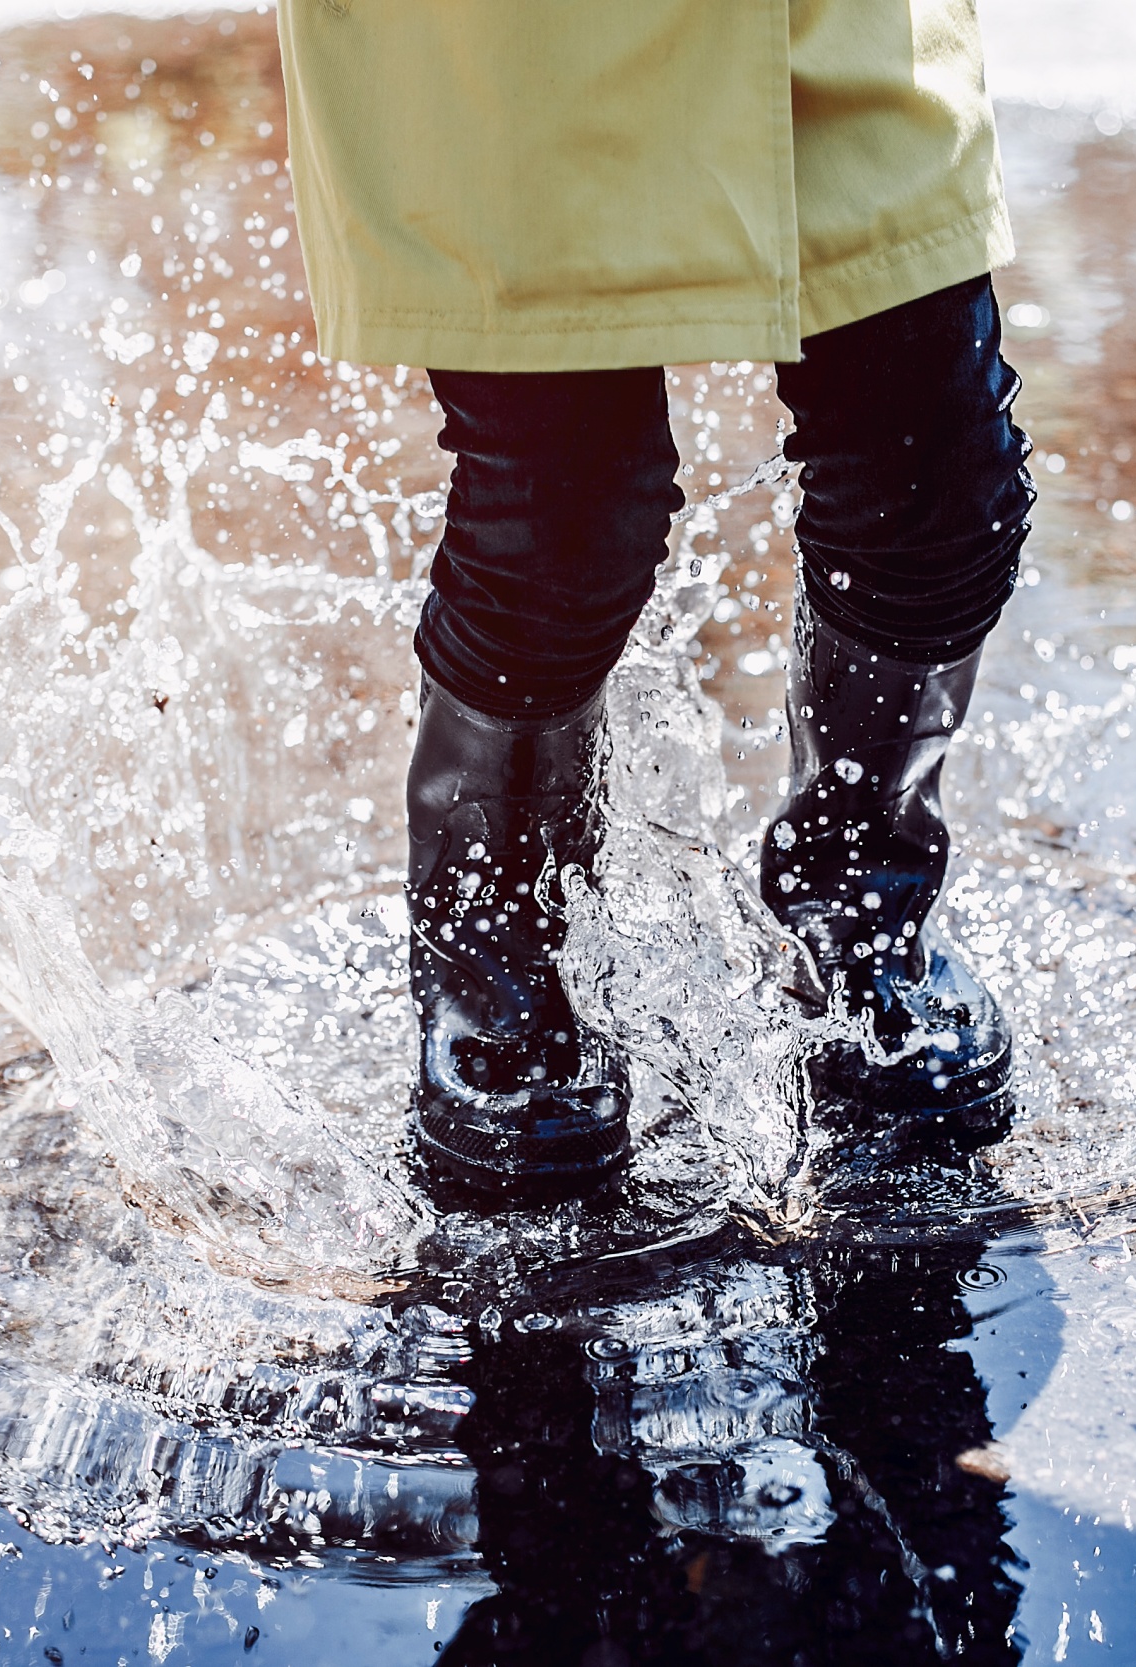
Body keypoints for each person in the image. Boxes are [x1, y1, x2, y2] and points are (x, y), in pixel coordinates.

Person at [277, 0, 1034, 1203]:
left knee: (940, 483)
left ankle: (857, 912)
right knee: (567, 528)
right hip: (504, 42)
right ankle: (497, 962)